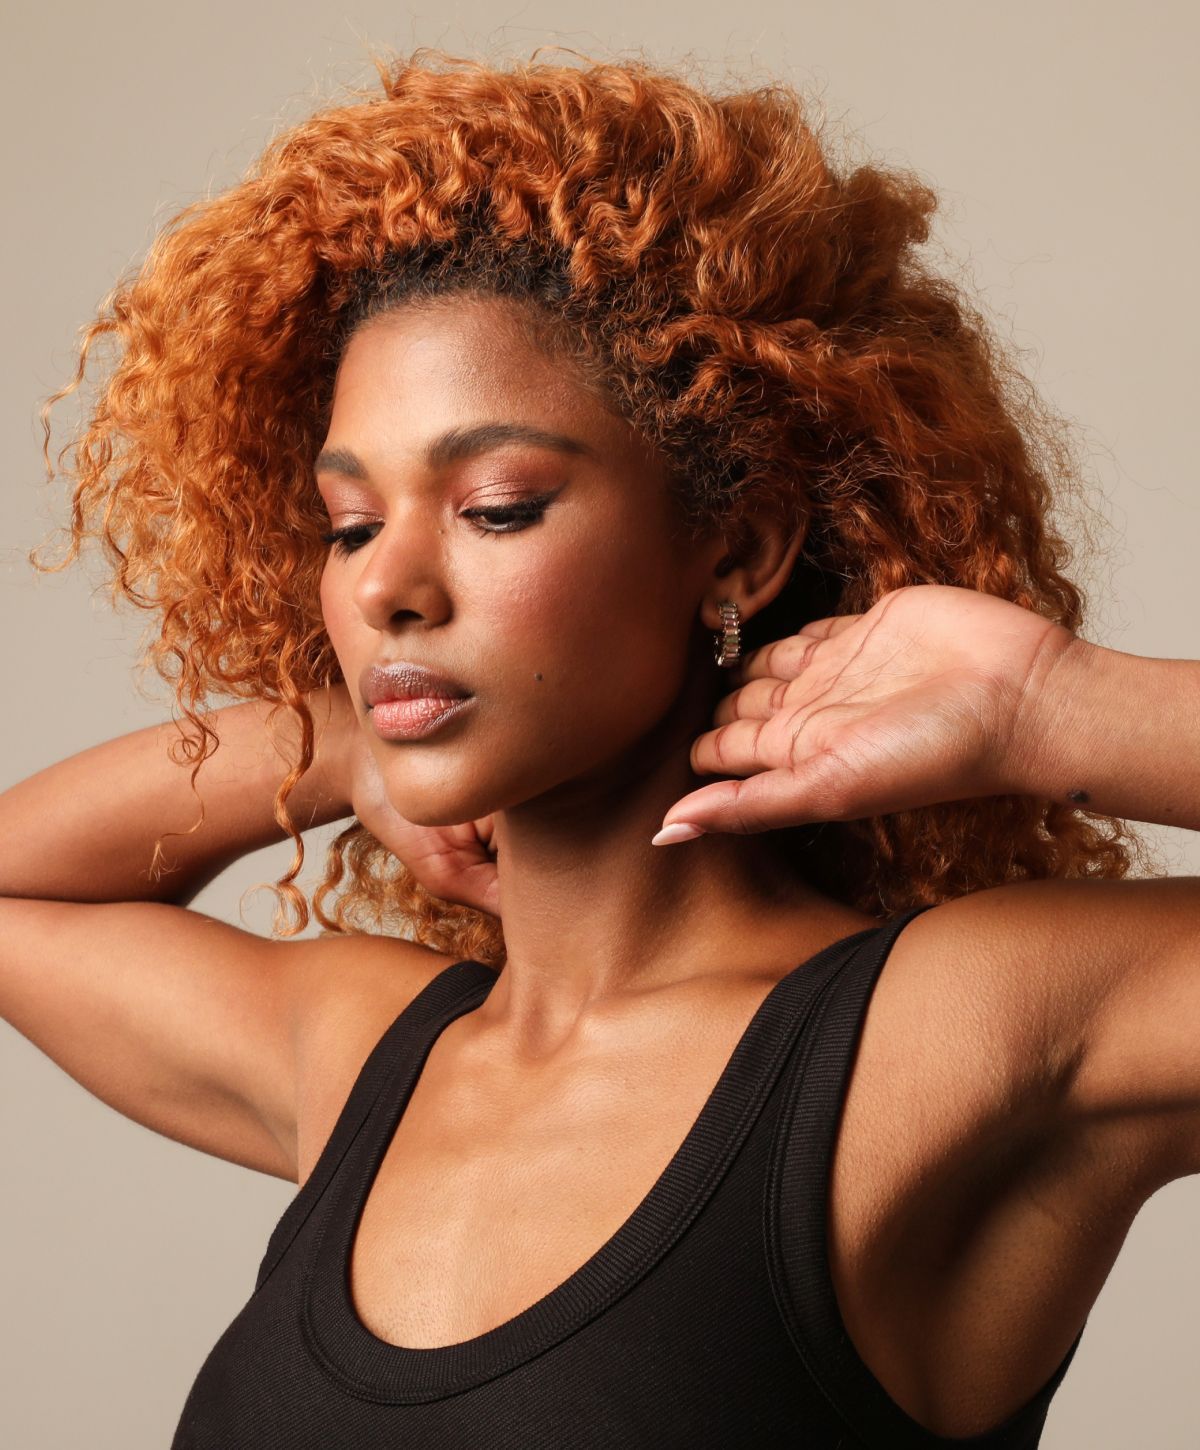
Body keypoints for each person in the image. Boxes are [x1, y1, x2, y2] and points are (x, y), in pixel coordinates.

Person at [4, 45, 1197, 1449]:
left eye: (496, 504)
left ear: (738, 545)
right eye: (349, 523)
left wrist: (1053, 706)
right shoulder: (376, 1055)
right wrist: (340, 745)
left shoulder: (928, 1039)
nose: (389, 584)